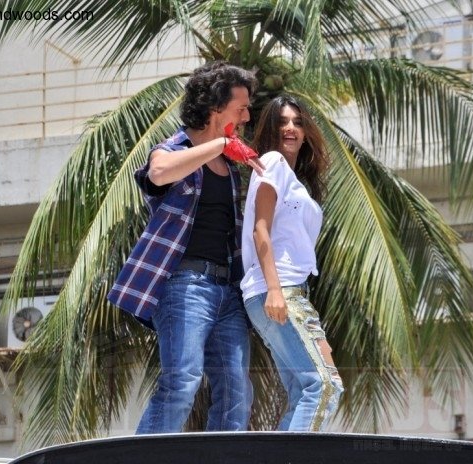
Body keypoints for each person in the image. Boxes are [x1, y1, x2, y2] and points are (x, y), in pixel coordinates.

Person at [107, 61, 263, 433]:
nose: (246, 116)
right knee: (182, 382)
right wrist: (220, 144)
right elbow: (158, 173)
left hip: (228, 291)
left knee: (237, 391)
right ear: (216, 107)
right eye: (241, 108)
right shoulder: (174, 148)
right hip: (186, 286)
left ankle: (222, 458)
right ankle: (141, 458)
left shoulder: (231, 166)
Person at [241, 95, 344, 431]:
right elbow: (260, 230)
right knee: (324, 386)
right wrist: (274, 290)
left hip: (285, 290)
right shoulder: (272, 162)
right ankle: (297, 455)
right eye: (283, 121)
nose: (291, 128)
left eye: (298, 123)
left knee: (303, 392)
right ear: (270, 128)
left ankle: (282, 453)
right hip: (278, 289)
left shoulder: (290, 176)